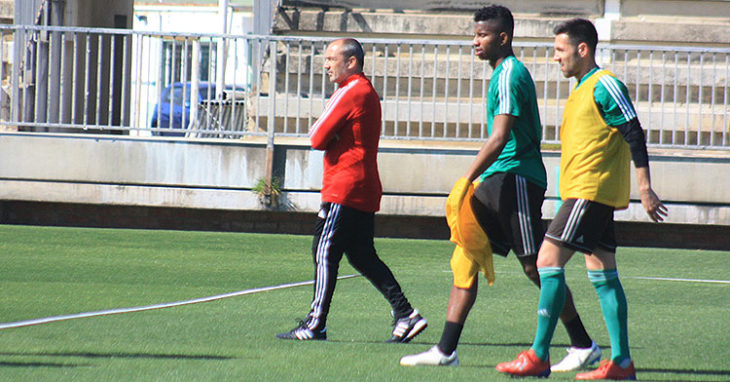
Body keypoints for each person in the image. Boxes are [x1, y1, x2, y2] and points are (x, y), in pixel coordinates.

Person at [400, 5, 599, 371]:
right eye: (474, 34)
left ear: (503, 38)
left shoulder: (509, 74)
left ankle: (583, 344)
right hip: (499, 179)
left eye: (482, 35)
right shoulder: (499, 73)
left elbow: (499, 138)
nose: (475, 41)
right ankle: (445, 350)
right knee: (466, 256)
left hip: (517, 179)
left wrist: (464, 180)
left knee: (536, 266)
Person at [496, 18, 668, 380]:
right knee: (603, 273)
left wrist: (645, 188)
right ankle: (621, 362)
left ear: (582, 49)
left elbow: (634, 133)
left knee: (547, 260)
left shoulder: (604, 84)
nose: (556, 58)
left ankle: (539, 355)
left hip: (589, 192)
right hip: (583, 194)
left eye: (560, 51)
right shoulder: (581, 90)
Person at [276, 38, 427, 343]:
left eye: (332, 58)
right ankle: (406, 314)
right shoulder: (364, 91)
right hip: (362, 185)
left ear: (351, 62)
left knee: (325, 251)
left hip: (345, 188)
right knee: (362, 255)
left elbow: (317, 137)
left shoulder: (352, 90)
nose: (326, 64)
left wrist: (326, 133)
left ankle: (315, 324)